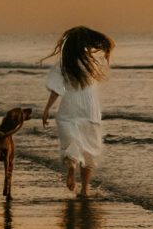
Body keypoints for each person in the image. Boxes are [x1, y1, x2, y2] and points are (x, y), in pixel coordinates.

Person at [40, 26, 113, 198]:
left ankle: (72, 166)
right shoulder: (94, 62)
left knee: (72, 142)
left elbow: (56, 90)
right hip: (90, 109)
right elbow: (109, 46)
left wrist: (47, 109)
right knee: (90, 149)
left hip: (69, 108)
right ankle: (85, 189)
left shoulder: (64, 64)